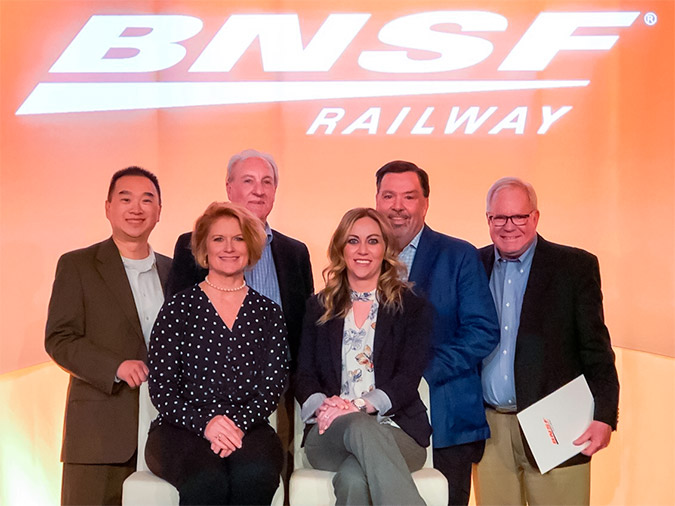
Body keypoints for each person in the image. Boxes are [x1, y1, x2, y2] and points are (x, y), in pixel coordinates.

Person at [473, 177, 620, 505]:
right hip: (489, 430)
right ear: (488, 220)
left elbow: (596, 348)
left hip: (558, 426)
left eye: (519, 217)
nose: (509, 226)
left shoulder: (574, 267)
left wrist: (605, 415)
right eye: (499, 217)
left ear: (535, 217)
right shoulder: (472, 265)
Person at [145, 201, 289, 505]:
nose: (229, 247)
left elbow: (271, 386)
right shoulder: (178, 308)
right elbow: (162, 388)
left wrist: (234, 425)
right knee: (206, 481)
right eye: (218, 239)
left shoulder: (268, 313)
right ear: (204, 248)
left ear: (250, 246)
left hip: (248, 426)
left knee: (255, 475)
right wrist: (207, 424)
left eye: (238, 238)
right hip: (181, 427)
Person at [375, 160, 500, 506]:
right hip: (376, 424)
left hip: (446, 420)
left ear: (425, 203)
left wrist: (418, 372)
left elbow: (483, 330)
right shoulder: (362, 257)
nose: (397, 206)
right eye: (389, 196)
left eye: (409, 197)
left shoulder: (458, 255)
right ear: (376, 201)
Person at [45, 167, 171, 505]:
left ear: (159, 211)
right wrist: (115, 367)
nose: (136, 208)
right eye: (125, 198)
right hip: (99, 433)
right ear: (108, 207)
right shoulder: (78, 265)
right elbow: (60, 338)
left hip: (167, 434)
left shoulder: (175, 272)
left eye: (147, 200)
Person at [296, 207, 433, 505]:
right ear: (340, 248)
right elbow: (303, 374)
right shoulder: (318, 307)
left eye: (373, 241)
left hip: (400, 431)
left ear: (385, 248)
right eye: (353, 241)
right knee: (358, 424)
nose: (363, 250)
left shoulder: (412, 308)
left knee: (353, 479)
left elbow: (408, 378)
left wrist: (359, 405)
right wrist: (328, 408)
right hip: (330, 431)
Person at [166, 149, 313, 369]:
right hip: (209, 379)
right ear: (229, 188)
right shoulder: (193, 245)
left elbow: (305, 329)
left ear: (275, 190)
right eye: (248, 181)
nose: (258, 191)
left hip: (280, 381)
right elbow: (176, 322)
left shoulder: (295, 253)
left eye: (267, 182)